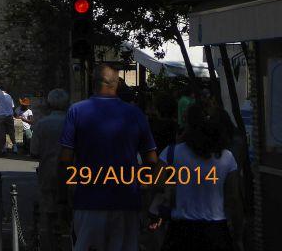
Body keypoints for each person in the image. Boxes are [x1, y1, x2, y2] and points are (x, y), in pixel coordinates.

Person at [59, 64, 159, 251]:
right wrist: (145, 190)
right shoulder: (135, 114)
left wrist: (65, 197)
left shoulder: (77, 111)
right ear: (117, 84)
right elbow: (151, 160)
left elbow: (65, 159)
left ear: (94, 82)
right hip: (126, 201)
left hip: (88, 200)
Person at [148, 102, 242, 251]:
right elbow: (233, 198)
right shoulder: (227, 157)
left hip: (181, 230)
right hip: (216, 229)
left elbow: (155, 183)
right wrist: (237, 230)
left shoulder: (172, 152)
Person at [29, 89, 70, 248]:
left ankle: (52, 242)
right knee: (68, 208)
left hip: (47, 171)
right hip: (70, 173)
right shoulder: (72, 122)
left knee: (49, 210)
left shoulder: (41, 125)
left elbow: (34, 152)